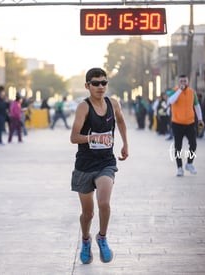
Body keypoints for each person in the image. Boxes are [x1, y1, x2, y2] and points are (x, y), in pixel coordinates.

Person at [70, 67, 128, 264]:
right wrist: (94, 138)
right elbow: (73, 137)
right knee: (88, 213)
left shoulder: (113, 103)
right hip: (85, 165)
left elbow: (120, 121)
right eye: (95, 83)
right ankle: (86, 240)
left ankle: (102, 237)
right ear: (87, 86)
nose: (100, 86)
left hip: (106, 162)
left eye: (104, 82)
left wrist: (125, 144)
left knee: (104, 203)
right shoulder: (83, 107)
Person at [167, 74, 204, 177]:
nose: (183, 83)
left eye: (185, 81)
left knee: (193, 144)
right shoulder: (174, 91)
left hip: (189, 123)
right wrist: (179, 90)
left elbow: (197, 106)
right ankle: (179, 168)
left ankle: (189, 163)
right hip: (177, 123)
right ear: (178, 82)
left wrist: (200, 118)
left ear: (188, 82)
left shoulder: (192, 92)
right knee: (178, 147)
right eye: (181, 81)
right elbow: (170, 101)